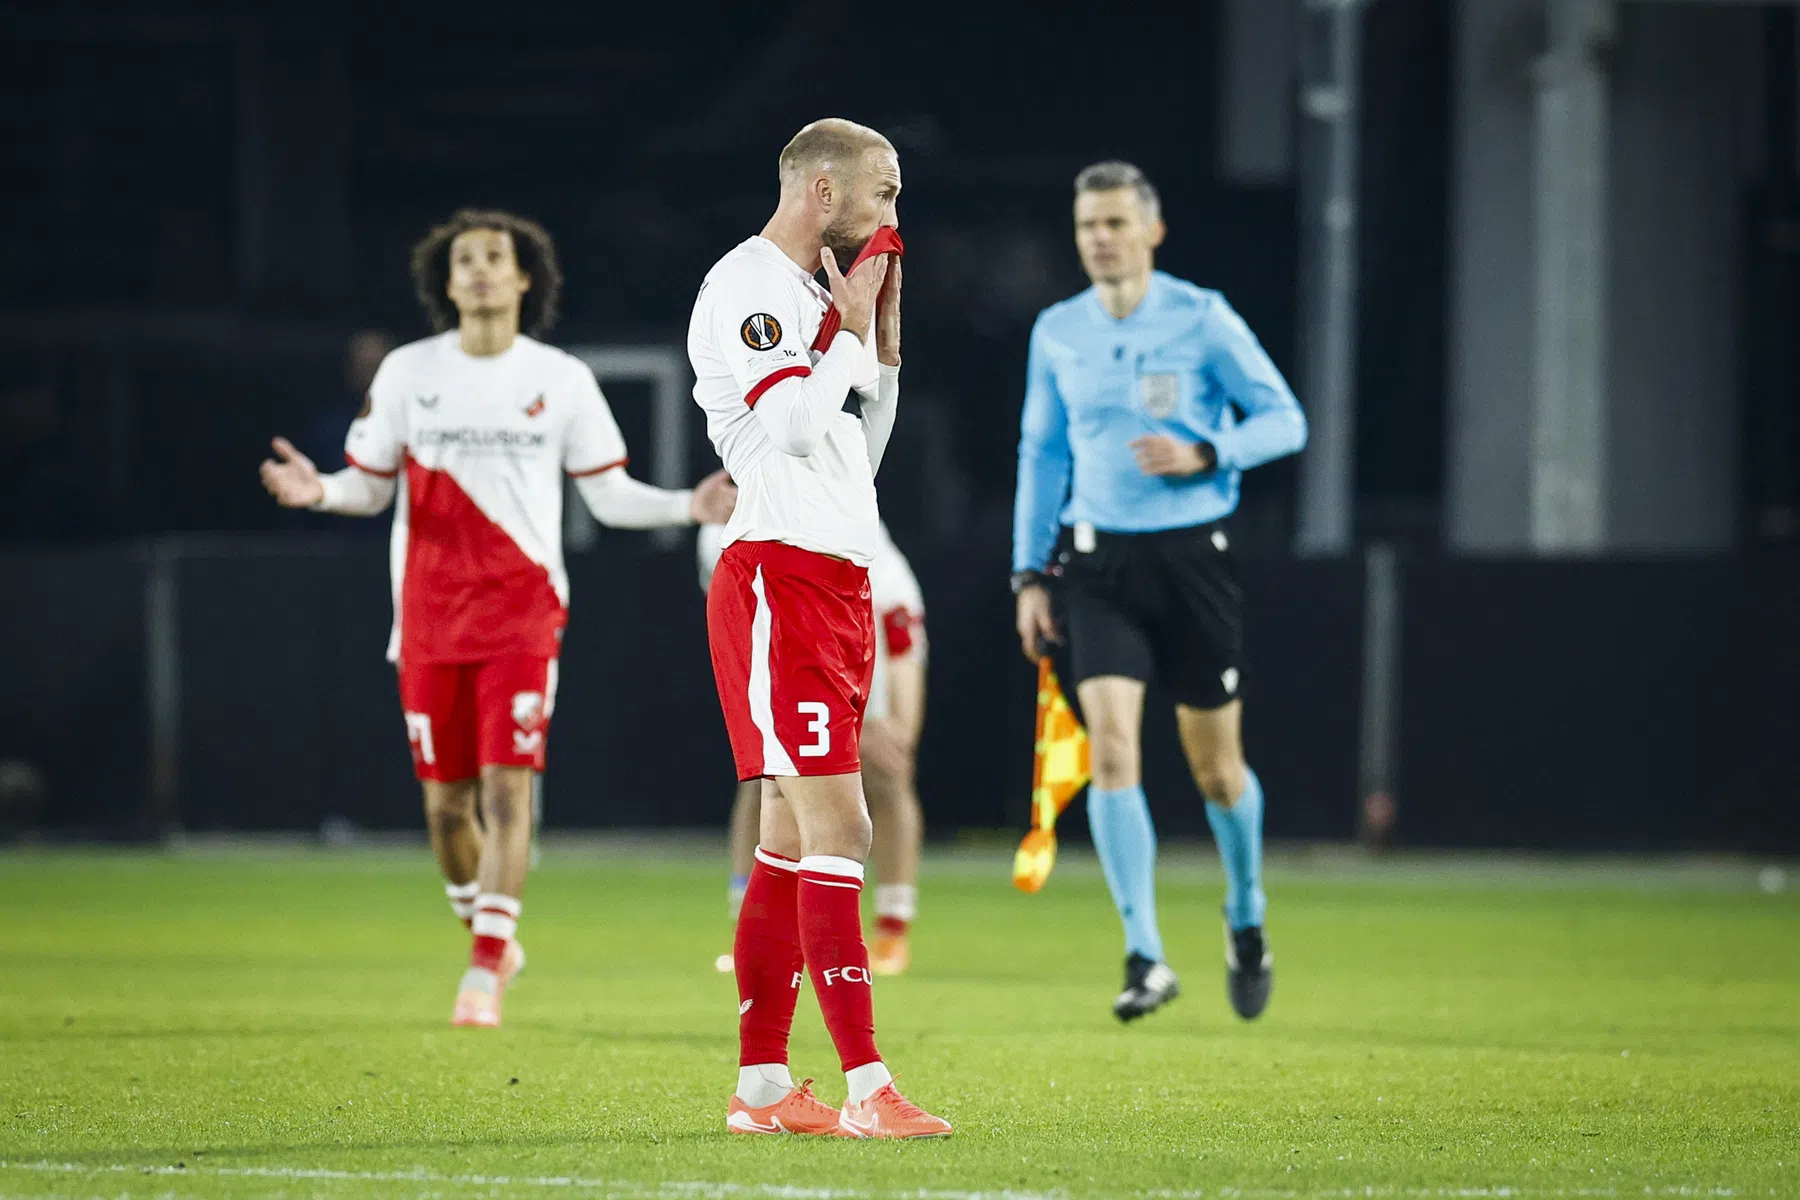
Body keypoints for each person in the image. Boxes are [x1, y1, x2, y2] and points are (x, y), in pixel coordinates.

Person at [259, 208, 736, 1029]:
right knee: (447, 808)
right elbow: (369, 484)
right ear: (446, 283)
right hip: (429, 620)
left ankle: (485, 969)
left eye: (495, 258)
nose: (480, 270)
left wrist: (686, 504)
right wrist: (323, 491)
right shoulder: (409, 372)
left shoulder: (561, 379)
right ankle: (483, 921)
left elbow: (608, 495)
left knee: (510, 793)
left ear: (524, 279)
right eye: (465, 260)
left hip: (524, 613)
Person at [687, 117, 949, 1139]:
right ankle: (868, 1088)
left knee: (794, 838)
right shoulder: (749, 285)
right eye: (884, 194)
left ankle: (761, 1092)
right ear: (826, 194)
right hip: (777, 578)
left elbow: (855, 451)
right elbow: (791, 426)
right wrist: (841, 334)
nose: (893, 218)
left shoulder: (812, 301)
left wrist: (876, 348)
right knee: (847, 826)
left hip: (837, 578)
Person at [1010, 162, 1307, 1025]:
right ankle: (1145, 952)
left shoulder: (1201, 318)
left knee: (1216, 773)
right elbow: (1042, 456)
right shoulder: (1058, 330)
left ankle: (1245, 909)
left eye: (1112, 223)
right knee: (1110, 750)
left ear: (1151, 230)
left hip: (1193, 561)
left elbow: (1285, 418)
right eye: (1085, 226)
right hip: (1098, 565)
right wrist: (1030, 573)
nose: (1098, 238)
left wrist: (1210, 451)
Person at [699, 519, 927, 977]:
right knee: (765, 773)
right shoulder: (720, 530)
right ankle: (750, 923)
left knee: (889, 765)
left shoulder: (846, 527)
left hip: (869, 623)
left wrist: (878, 714)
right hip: (783, 629)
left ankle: (891, 928)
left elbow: (881, 630)